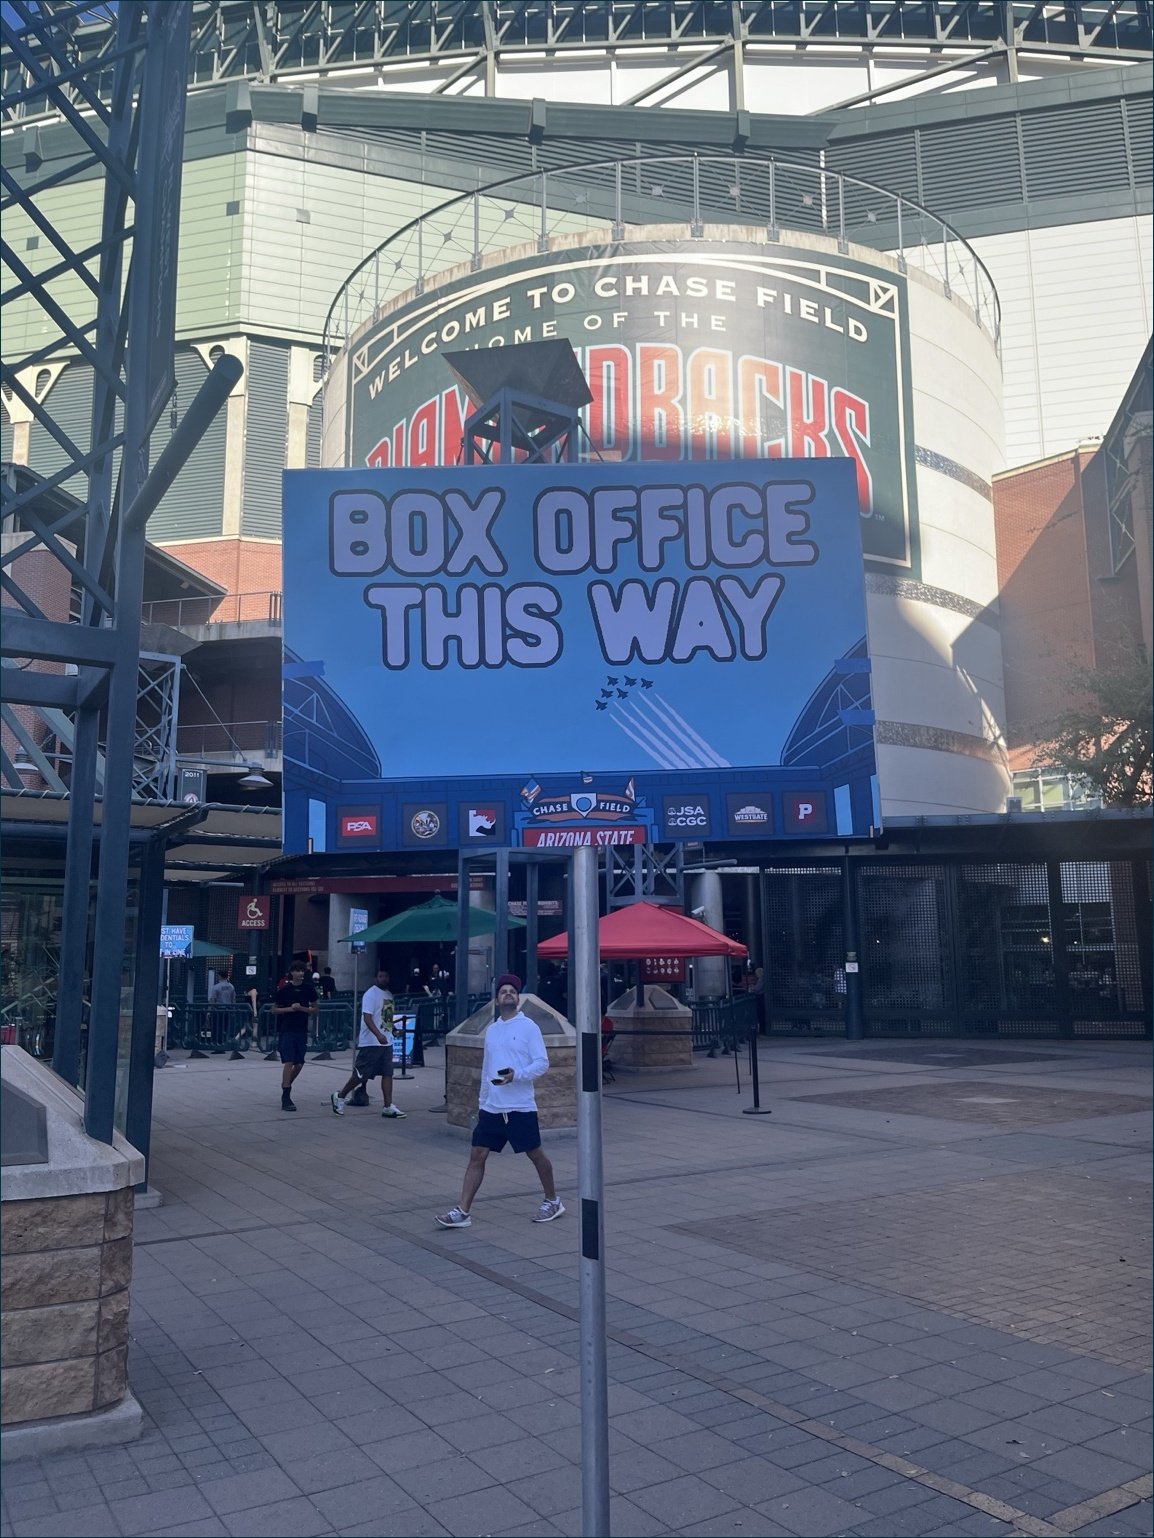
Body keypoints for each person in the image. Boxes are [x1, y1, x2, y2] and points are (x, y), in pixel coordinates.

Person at [436, 974, 563, 1229]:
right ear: (496, 999)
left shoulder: (529, 1027)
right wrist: (482, 1101)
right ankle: (463, 1211)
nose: (508, 994)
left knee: (535, 1153)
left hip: (520, 1106)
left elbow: (542, 1063)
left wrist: (517, 1076)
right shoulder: (492, 1031)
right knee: (477, 1154)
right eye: (503, 991)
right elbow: (486, 1070)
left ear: (518, 998)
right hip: (492, 1107)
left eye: (512, 991)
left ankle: (553, 1200)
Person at [331, 968, 406, 1118]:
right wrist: (378, 1034)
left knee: (387, 1073)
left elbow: (387, 1017)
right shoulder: (370, 994)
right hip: (371, 1042)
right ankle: (340, 1095)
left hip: (386, 1042)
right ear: (375, 978)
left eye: (385, 976)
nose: (383, 979)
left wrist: (394, 1031)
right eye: (380, 976)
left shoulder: (389, 995)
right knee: (361, 1074)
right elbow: (367, 1018)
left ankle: (387, 1105)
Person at [272, 962, 317, 1111]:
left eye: (302, 971)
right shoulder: (285, 990)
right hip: (288, 1029)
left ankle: (287, 1083)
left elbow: (315, 1008)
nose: (300, 973)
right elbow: (274, 1009)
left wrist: (302, 1008)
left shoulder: (309, 989)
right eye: (297, 971)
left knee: (300, 1063)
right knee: (289, 1061)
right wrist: (290, 1009)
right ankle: (286, 1095)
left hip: (301, 1029)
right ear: (291, 972)